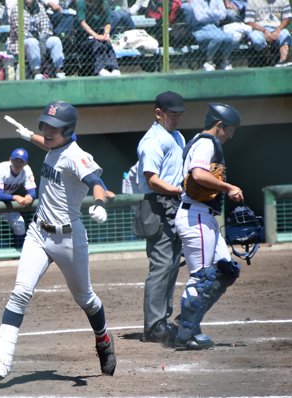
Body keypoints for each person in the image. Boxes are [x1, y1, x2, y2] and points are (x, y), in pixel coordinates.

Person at [0, 101, 116, 381]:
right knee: (20, 292)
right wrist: (27, 135)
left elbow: (95, 181)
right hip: (38, 233)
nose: (46, 130)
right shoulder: (55, 146)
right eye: (45, 124)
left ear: (68, 131)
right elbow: (49, 147)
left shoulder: (77, 155)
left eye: (54, 128)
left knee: (87, 299)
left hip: (69, 238)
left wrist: (101, 203)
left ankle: (102, 338)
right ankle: (2, 360)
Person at [171, 103, 244, 349]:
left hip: (204, 216)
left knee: (225, 270)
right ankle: (186, 335)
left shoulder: (200, 141)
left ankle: (189, 319)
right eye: (230, 130)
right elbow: (199, 174)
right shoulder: (206, 143)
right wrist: (229, 187)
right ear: (220, 125)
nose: (231, 135)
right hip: (196, 217)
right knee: (201, 277)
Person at [135, 91, 186, 344]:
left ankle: (163, 320)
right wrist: (179, 190)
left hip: (175, 203)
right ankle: (154, 325)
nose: (176, 118)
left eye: (179, 114)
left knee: (174, 264)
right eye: (172, 114)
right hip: (156, 204)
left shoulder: (176, 136)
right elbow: (151, 179)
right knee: (161, 265)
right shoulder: (153, 140)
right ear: (159, 113)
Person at [0, 148, 37, 249]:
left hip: (6, 202)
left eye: (21, 161)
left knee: (20, 225)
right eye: (15, 160)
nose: (18, 164)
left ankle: (18, 254)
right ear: (10, 160)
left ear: (25, 163)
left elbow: (32, 192)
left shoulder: (27, 170)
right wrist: (16, 197)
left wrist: (29, 196)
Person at [6, 0, 66, 79]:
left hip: (40, 40)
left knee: (55, 40)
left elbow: (46, 26)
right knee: (32, 42)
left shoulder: (39, 7)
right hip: (20, 43)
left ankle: (59, 70)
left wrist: (42, 41)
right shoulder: (17, 9)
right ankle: (36, 71)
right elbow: (21, 32)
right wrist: (38, 42)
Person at [75, 0, 122, 76]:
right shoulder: (81, 2)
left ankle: (114, 68)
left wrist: (106, 34)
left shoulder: (104, 3)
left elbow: (108, 23)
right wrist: (96, 36)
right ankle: (100, 69)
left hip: (100, 35)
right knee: (97, 43)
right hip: (84, 38)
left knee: (107, 43)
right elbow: (82, 23)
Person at [189, 0, 236, 71]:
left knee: (230, 38)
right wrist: (215, 14)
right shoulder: (196, 1)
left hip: (215, 27)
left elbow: (223, 15)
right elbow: (199, 18)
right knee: (218, 37)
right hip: (199, 29)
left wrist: (207, 12)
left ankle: (224, 61)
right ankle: (209, 62)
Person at [244, 0, 291, 67]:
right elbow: (249, 22)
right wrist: (264, 31)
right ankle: (267, 59)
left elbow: (287, 18)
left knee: (285, 34)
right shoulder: (252, 1)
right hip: (259, 29)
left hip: (278, 27)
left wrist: (278, 30)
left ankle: (283, 62)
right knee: (256, 38)